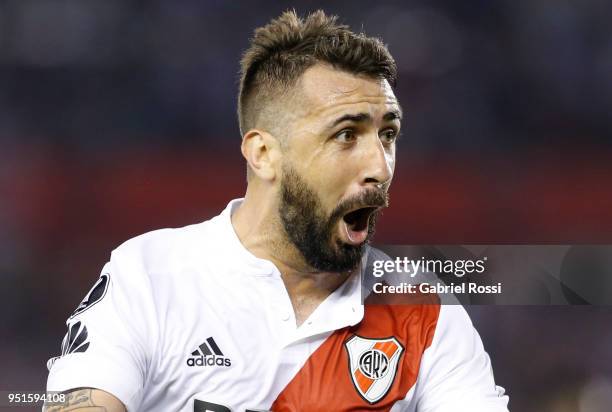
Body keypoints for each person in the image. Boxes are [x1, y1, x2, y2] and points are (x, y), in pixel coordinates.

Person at [45, 10, 509, 411]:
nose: (380, 166)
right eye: (346, 135)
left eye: (388, 135)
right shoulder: (151, 276)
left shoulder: (421, 312)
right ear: (264, 154)